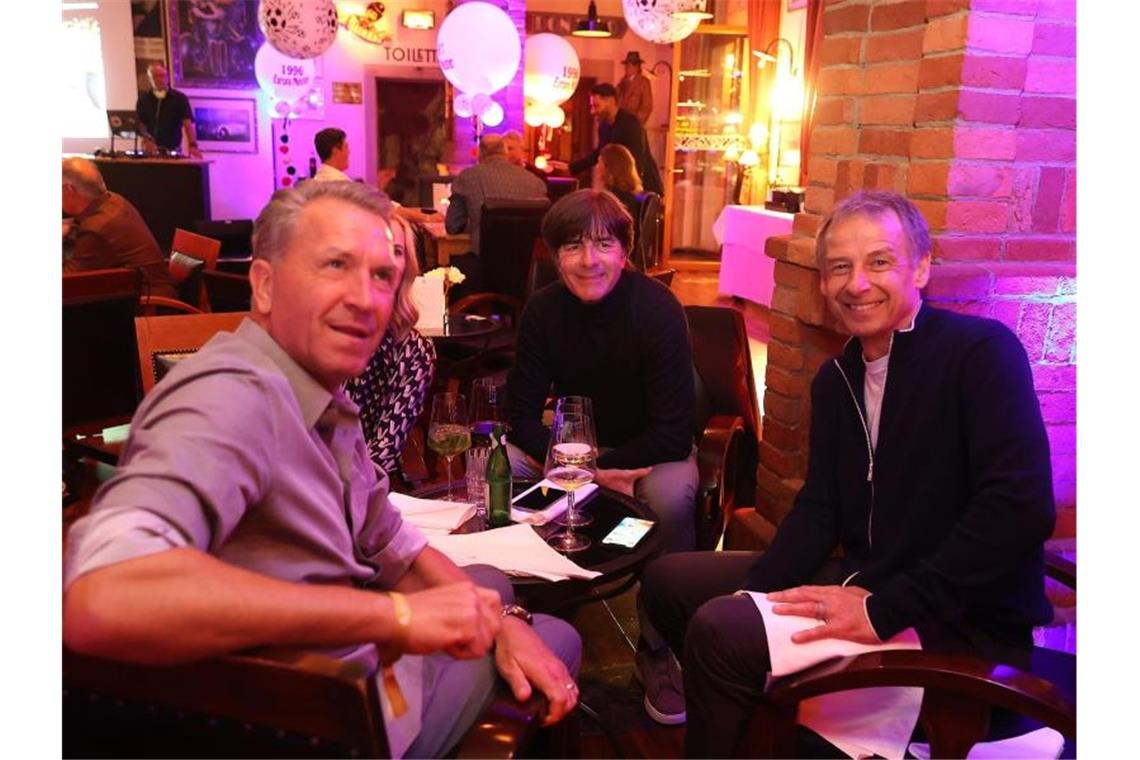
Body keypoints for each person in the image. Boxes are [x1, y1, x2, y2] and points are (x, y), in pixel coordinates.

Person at [62, 180, 582, 759]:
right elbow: (103, 596)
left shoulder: (319, 397)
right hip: (318, 718)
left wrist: (506, 623)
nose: (366, 299)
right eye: (336, 264)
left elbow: (395, 546)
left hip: (342, 672)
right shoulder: (232, 395)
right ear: (263, 284)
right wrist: (396, 617)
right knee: (558, 636)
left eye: (383, 275)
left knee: (491, 587)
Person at [635, 190, 1056, 756]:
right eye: (839, 267)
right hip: (867, 580)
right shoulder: (836, 380)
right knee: (668, 582)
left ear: (922, 266)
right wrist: (756, 594)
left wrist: (882, 609)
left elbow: (1019, 510)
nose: (857, 283)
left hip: (958, 618)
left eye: (879, 261)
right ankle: (765, 709)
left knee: (720, 632)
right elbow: (820, 510)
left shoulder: (980, 353)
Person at [506, 189, 697, 553]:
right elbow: (520, 416)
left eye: (603, 244)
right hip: (569, 451)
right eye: (573, 246)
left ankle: (661, 598)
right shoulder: (542, 311)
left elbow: (673, 433)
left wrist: (595, 470)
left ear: (624, 252)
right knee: (505, 467)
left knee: (670, 499)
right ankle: (535, 581)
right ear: (556, 256)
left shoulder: (658, 309)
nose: (588, 261)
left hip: (650, 454)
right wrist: (582, 470)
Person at [347, 213, 436, 482]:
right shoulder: (318, 333)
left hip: (357, 490)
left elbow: (384, 451)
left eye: (396, 251)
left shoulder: (414, 350)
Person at [444, 133, 548, 297]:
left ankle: (462, 320)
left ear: (479, 154)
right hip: (528, 274)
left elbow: (453, 226)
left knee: (448, 270)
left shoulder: (467, 177)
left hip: (482, 273)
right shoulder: (536, 183)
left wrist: (475, 222)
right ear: (505, 153)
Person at [62, 157, 178, 300]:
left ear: (68, 190)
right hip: (143, 297)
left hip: (149, 308)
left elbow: (66, 284)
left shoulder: (96, 229)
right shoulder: (113, 200)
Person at [313, 127, 440, 225]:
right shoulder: (337, 182)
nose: (349, 152)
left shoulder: (322, 178)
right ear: (336, 151)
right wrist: (427, 218)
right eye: (346, 147)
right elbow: (381, 207)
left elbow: (373, 203)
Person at [135, 64, 201, 157]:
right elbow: (140, 123)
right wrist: (147, 139)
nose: (160, 79)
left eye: (162, 76)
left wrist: (192, 145)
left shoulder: (179, 98)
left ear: (167, 78)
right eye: (156, 76)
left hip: (172, 150)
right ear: (150, 79)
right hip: (150, 151)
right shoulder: (144, 99)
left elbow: (187, 124)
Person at [598, 143, 643, 222]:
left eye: (600, 163)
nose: (597, 167)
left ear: (609, 168)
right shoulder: (629, 197)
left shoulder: (614, 202)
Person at [616, 51, 653, 126]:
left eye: (628, 65)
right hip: (620, 123)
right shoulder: (622, 82)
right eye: (626, 65)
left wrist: (635, 123)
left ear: (636, 67)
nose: (626, 68)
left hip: (634, 124)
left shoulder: (643, 83)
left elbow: (647, 106)